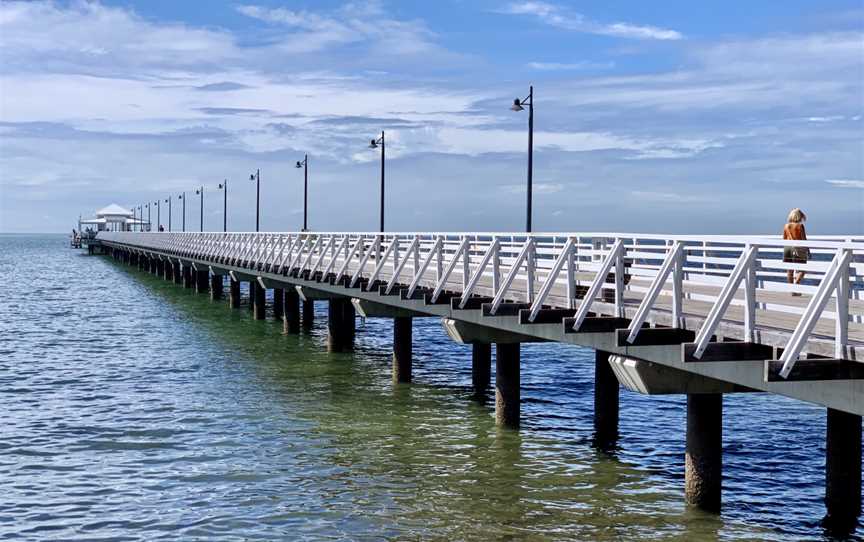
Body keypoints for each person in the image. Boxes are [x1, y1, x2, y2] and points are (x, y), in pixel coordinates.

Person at [783, 208, 808, 294]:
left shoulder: (786, 226)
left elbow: (784, 238)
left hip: (788, 248)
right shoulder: (800, 226)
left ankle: (791, 289)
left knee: (789, 270)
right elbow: (804, 239)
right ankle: (795, 286)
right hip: (799, 248)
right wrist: (807, 250)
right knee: (803, 269)